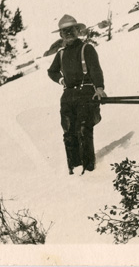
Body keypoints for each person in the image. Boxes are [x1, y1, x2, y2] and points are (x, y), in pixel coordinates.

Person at [48, 14, 106, 174]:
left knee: (83, 129)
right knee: (68, 132)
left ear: (77, 30)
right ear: (60, 35)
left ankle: (89, 168)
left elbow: (95, 69)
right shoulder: (61, 53)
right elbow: (52, 72)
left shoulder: (86, 48)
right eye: (64, 31)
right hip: (67, 97)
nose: (68, 33)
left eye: (71, 30)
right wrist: (61, 80)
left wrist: (99, 88)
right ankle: (74, 168)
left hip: (85, 93)